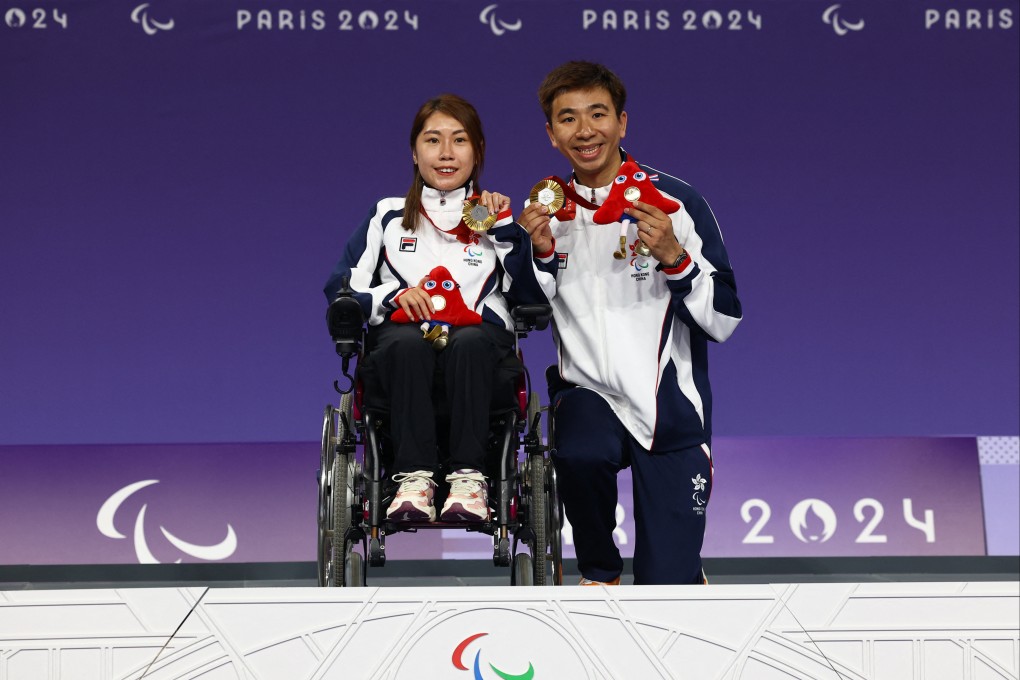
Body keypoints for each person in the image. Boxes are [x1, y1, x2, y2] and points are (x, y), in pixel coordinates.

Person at [518, 61, 742, 585]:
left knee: (670, 589)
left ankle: (680, 570)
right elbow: (525, 314)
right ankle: (600, 570)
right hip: (588, 393)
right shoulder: (542, 214)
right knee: (579, 452)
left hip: (670, 411)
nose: (585, 130)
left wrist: (673, 257)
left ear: (622, 122)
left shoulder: (675, 204)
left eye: (598, 114)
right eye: (568, 119)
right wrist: (544, 253)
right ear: (552, 135)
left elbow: (726, 319)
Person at [324, 94, 554, 524]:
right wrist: (391, 298)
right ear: (415, 151)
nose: (446, 153)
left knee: (467, 343)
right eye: (433, 140)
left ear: (478, 150)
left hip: (480, 351)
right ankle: (413, 479)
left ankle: (469, 480)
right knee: (407, 344)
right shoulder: (387, 216)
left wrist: (508, 232)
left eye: (459, 140)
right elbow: (342, 287)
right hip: (400, 351)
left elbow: (531, 298)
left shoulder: (495, 218)